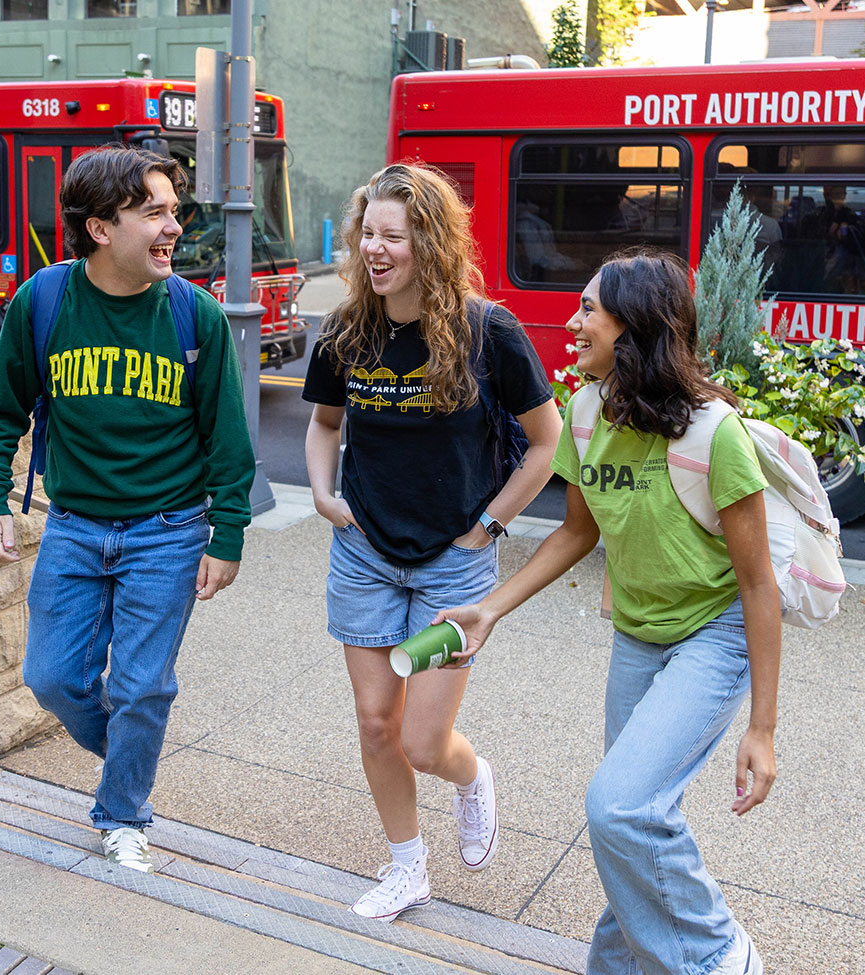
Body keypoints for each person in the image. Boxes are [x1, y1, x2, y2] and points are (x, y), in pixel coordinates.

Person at [437, 251, 780, 975]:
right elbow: (577, 532)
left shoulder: (716, 433)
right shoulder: (586, 412)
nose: (573, 321)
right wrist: (490, 610)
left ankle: (719, 955)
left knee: (619, 806)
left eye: (589, 308)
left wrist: (763, 727)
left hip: (713, 635)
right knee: (630, 821)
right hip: (636, 632)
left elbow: (758, 585)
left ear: (636, 324)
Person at [0, 144, 255, 874]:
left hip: (170, 530)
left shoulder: (195, 316)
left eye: (174, 211)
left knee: (141, 686)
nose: (174, 228)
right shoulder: (44, 302)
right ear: (100, 227)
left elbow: (228, 439)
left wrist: (227, 534)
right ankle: (134, 745)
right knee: (52, 679)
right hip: (74, 526)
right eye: (154, 213)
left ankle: (123, 813)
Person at [302, 163, 563, 922]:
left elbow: (546, 443)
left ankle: (472, 775)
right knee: (375, 723)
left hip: (454, 563)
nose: (374, 249)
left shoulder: (490, 331)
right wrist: (322, 494)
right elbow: (323, 425)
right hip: (365, 556)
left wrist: (490, 525)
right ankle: (407, 867)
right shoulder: (346, 331)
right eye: (367, 234)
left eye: (393, 235)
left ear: (432, 243)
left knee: (422, 740)